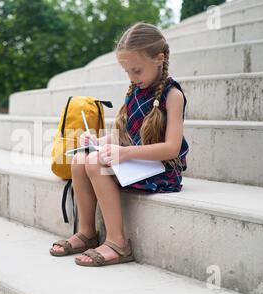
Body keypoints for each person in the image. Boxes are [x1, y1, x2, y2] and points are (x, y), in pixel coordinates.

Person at [49, 22, 190, 267]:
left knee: (95, 162)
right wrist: (98, 141)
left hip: (161, 169)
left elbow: (171, 149)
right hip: (136, 160)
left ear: (159, 59)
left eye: (136, 70)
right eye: (127, 72)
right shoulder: (135, 90)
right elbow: (123, 135)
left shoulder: (172, 95)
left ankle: (118, 242)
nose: (132, 78)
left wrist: (124, 153)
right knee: (81, 158)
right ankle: (87, 232)